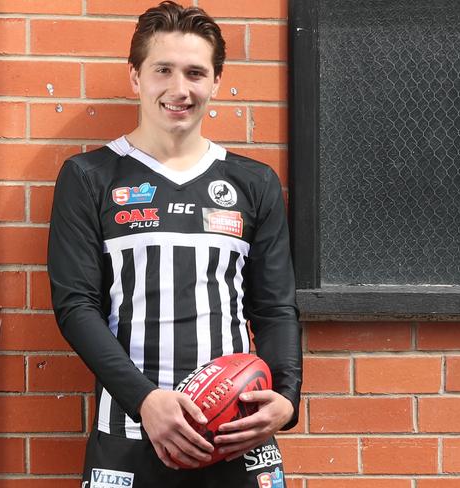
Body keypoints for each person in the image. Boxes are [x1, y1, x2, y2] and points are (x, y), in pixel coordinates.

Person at [47, 2, 302, 486]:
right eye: (163, 69)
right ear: (136, 77)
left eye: (195, 72)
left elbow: (274, 309)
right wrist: (144, 399)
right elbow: (75, 306)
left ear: (216, 82)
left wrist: (286, 399)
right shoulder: (90, 176)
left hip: (236, 434)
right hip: (129, 432)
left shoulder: (253, 183)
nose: (179, 89)